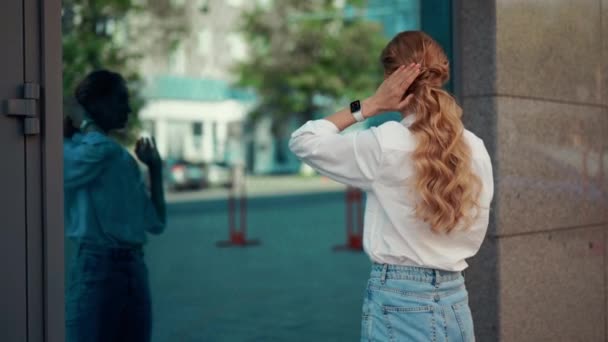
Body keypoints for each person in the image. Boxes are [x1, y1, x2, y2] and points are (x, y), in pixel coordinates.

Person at [289, 31, 493, 341]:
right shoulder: (475, 147)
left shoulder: (384, 144)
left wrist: (368, 106)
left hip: (399, 302)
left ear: (390, 79)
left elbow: (303, 141)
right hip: (455, 302)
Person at [63, 70, 166, 342]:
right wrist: (85, 123)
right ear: (96, 103)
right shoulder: (77, 150)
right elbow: (85, 160)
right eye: (121, 100)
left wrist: (155, 169)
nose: (128, 109)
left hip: (133, 266)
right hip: (97, 268)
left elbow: (156, 222)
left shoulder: (121, 159)